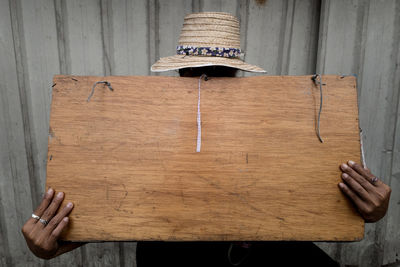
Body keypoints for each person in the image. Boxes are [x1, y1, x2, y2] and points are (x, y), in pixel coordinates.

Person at [22, 12, 391, 265]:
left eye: (217, 74)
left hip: (261, 251)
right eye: (197, 74)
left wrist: (370, 210)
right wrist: (47, 248)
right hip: (171, 258)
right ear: (181, 73)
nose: (206, 84)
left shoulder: (279, 126)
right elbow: (106, 209)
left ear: (236, 74)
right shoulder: (138, 129)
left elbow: (327, 200)